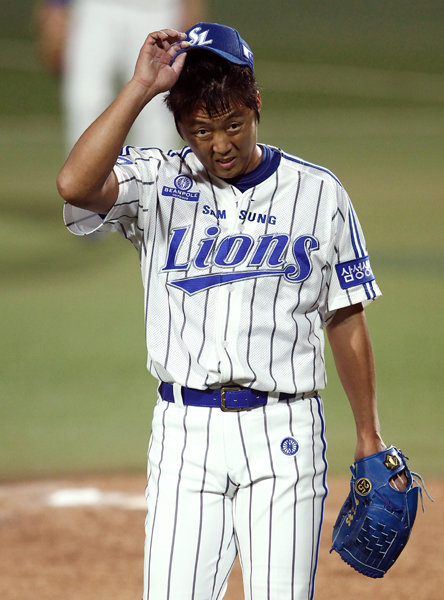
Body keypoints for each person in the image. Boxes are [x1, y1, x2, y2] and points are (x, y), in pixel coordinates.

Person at [57, 23, 399, 600]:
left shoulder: (319, 194)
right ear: (181, 129)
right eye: (201, 130)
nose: (220, 145)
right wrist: (141, 87)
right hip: (184, 435)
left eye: (233, 124)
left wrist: (369, 433)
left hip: (285, 432)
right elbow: (74, 184)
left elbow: (345, 317)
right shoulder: (159, 180)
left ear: (256, 103)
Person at [35, 0, 206, 151]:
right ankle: (84, 175)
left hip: (157, 9)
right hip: (96, 8)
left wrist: (191, 8)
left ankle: (157, 176)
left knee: (157, 104)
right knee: (86, 99)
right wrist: (56, 7)